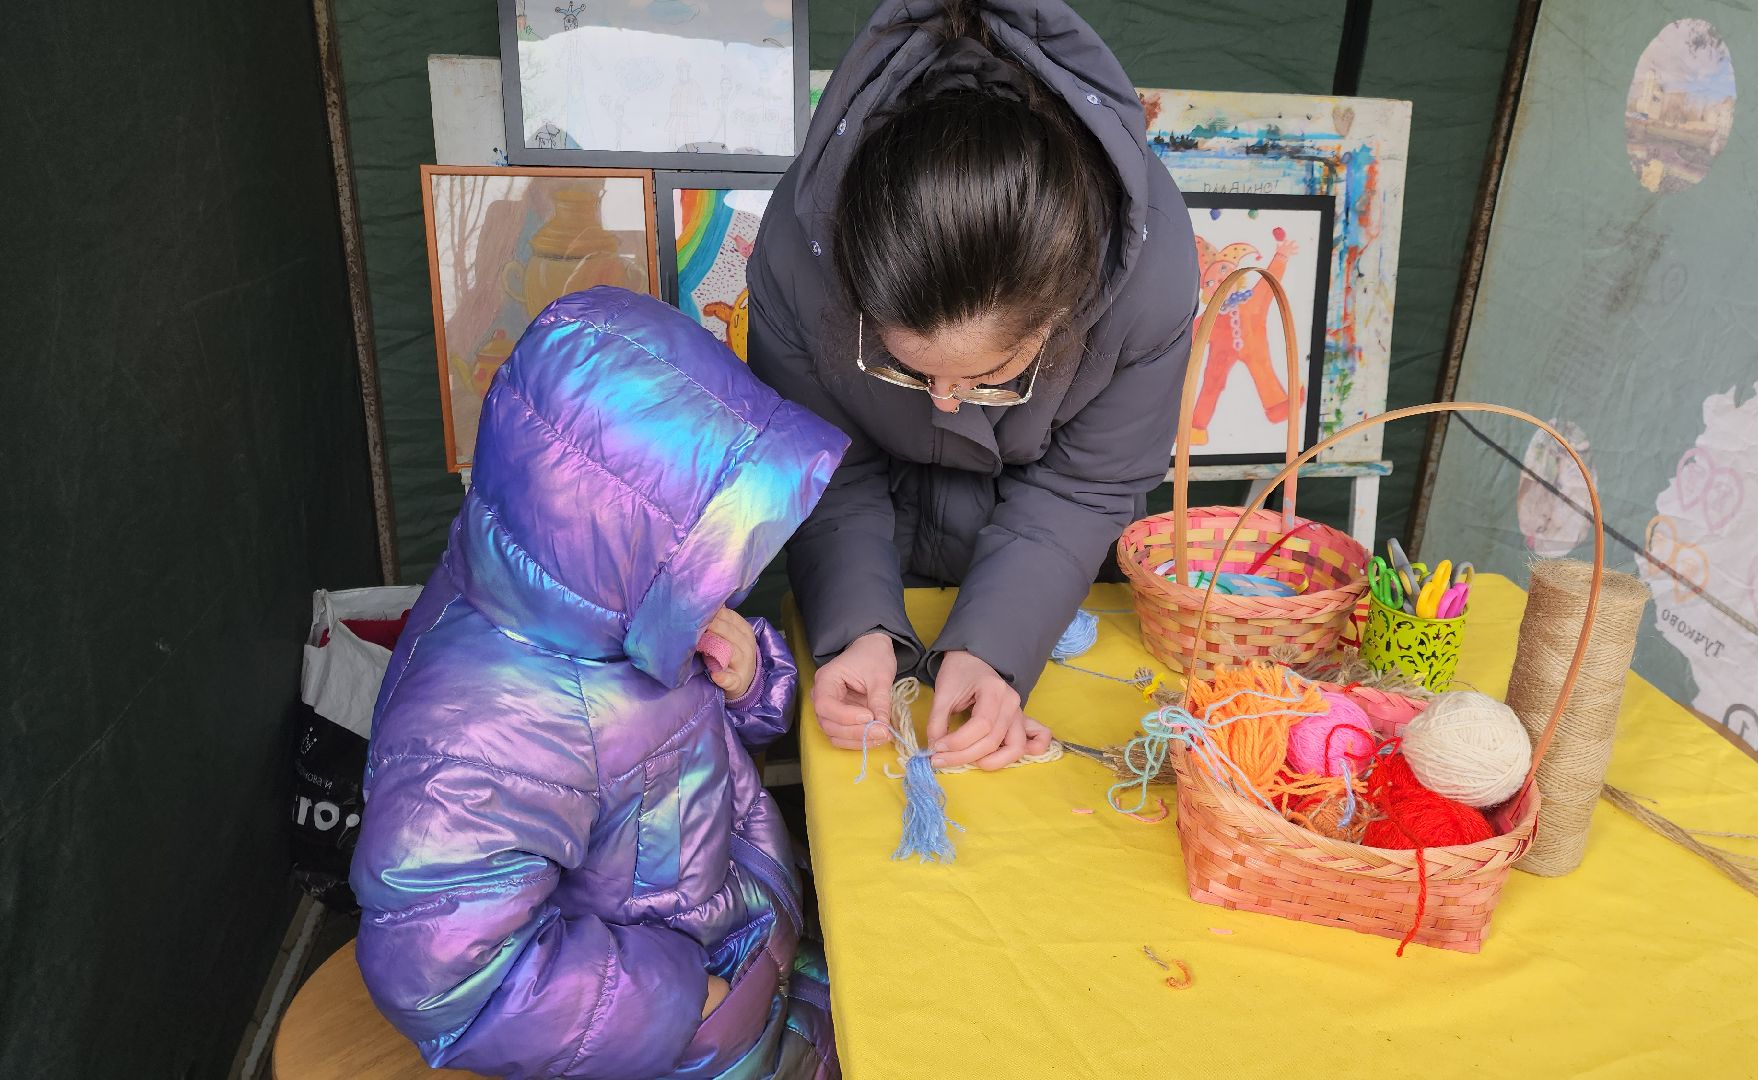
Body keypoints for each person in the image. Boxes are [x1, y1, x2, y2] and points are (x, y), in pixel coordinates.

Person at [352, 289, 848, 1078]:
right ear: (609, 536)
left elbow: (688, 742)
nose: (727, 587)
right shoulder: (476, 733)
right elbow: (447, 982)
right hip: (687, 1034)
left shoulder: (616, 606)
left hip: (747, 928)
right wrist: (693, 1000)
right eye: (709, 561)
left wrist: (751, 679)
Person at [747, 0, 1199, 771]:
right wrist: (856, 626)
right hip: (872, 538)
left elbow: (1085, 487)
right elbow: (824, 466)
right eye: (909, 370)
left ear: (1063, 317)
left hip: (1051, 567)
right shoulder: (798, 252)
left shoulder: (1148, 275)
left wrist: (995, 650)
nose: (946, 402)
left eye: (990, 378)